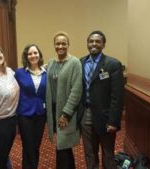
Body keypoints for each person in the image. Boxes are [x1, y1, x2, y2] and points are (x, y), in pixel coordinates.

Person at [79, 30, 124, 169]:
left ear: (103, 44)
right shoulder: (80, 62)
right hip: (86, 115)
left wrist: (113, 121)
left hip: (105, 117)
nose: (94, 44)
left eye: (97, 41)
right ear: (87, 44)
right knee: (90, 153)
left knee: (108, 153)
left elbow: (117, 96)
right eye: (91, 41)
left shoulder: (113, 64)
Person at [46, 31, 83, 169]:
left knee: (63, 145)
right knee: (60, 145)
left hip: (66, 111)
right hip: (53, 110)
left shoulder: (75, 63)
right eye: (57, 43)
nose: (60, 46)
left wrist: (66, 113)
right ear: (54, 45)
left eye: (63, 43)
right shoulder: (50, 63)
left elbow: (76, 90)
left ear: (68, 45)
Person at [15, 44, 46, 169]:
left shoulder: (46, 72)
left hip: (40, 114)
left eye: (35, 53)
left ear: (39, 54)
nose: (33, 56)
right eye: (30, 53)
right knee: (28, 144)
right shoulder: (19, 73)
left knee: (36, 144)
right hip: (24, 114)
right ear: (26, 57)